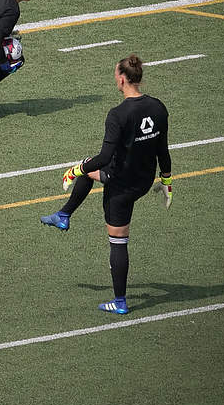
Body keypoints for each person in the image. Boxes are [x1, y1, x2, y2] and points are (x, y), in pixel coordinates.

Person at [40, 54, 174, 315]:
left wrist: (74, 168)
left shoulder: (118, 115)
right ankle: (64, 214)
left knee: (118, 242)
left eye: (115, 75)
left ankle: (120, 301)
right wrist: (166, 181)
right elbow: (163, 151)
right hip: (143, 181)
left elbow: (104, 158)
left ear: (122, 79)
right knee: (89, 170)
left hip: (120, 185)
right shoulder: (158, 107)